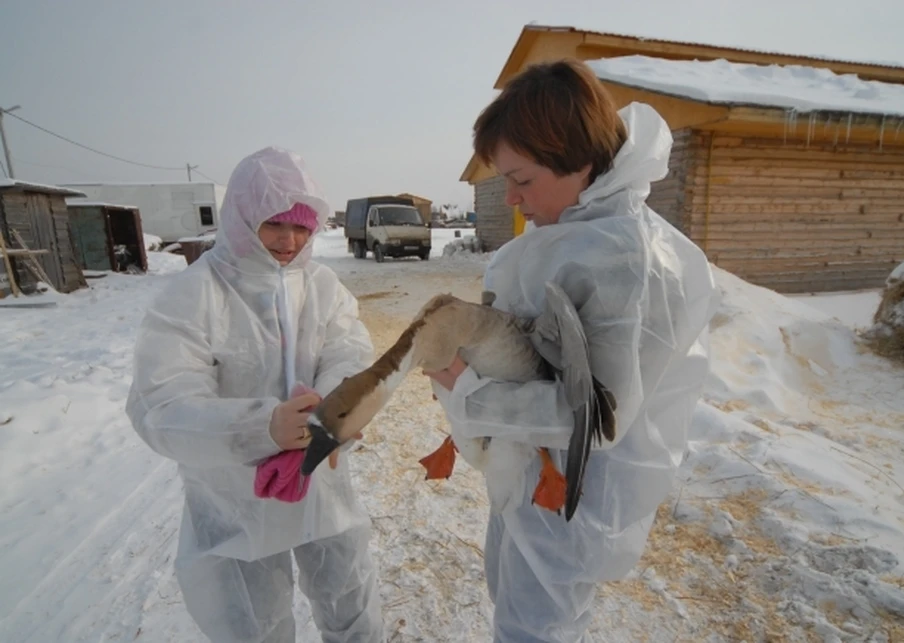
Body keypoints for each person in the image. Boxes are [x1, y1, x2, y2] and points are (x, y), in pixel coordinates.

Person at [425, 60, 721, 641]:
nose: (510, 196)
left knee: (538, 625)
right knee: (515, 599)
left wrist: (466, 387)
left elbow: (594, 419)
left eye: (523, 179)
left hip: (575, 490)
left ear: (579, 161)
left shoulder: (627, 259)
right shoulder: (571, 232)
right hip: (533, 470)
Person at [126, 146, 384, 642]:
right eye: (275, 224)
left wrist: (332, 414)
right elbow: (162, 404)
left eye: (303, 227)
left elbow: (349, 353)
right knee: (255, 624)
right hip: (235, 497)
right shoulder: (195, 295)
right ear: (243, 219)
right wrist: (259, 428)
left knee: (350, 604)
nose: (290, 240)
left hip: (320, 483)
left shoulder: (321, 287)